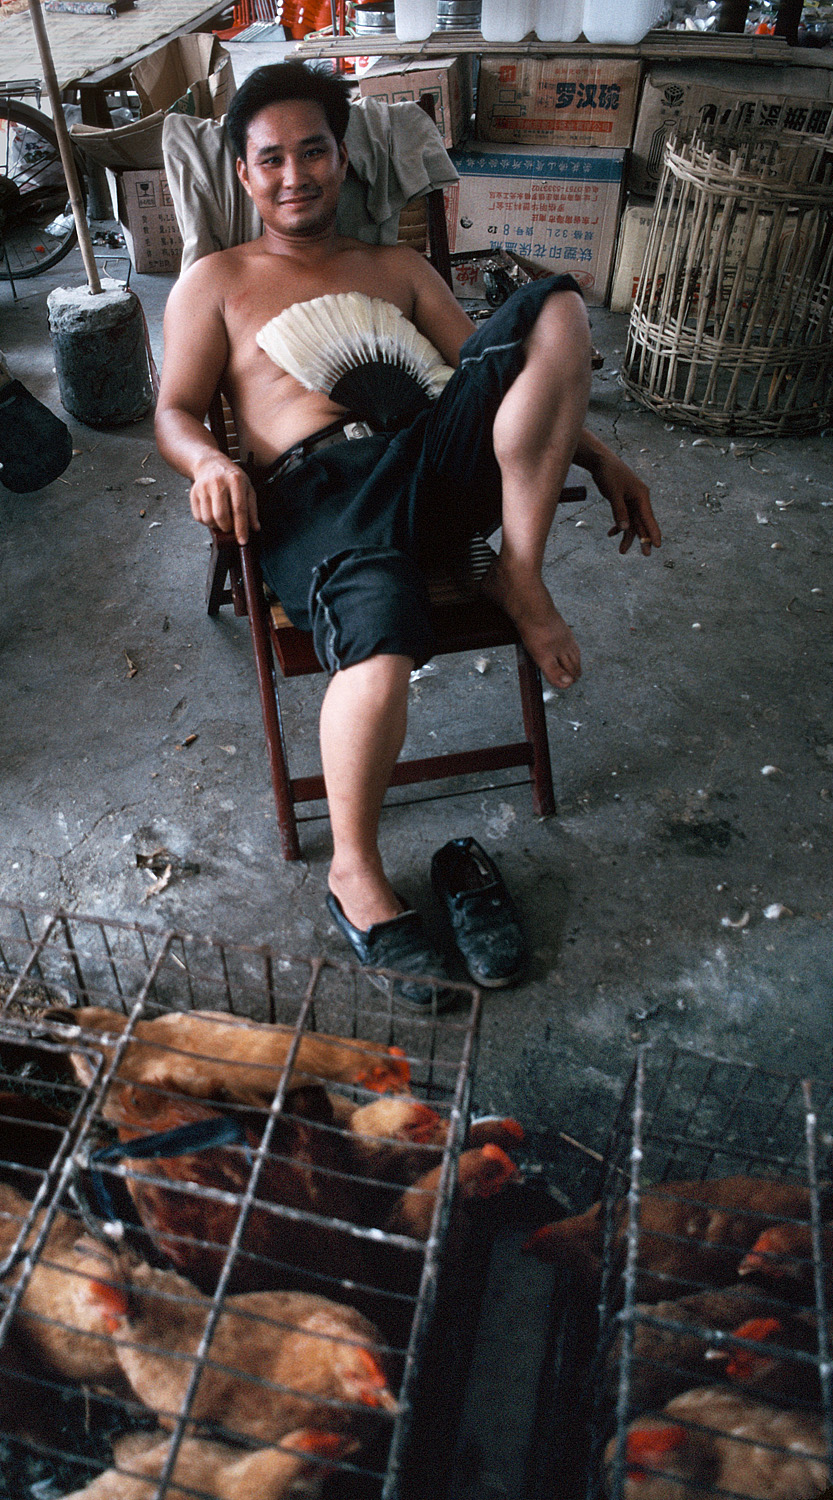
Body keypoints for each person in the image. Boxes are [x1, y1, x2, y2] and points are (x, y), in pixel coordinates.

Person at [155, 61, 661, 1008]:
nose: (295, 175)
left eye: (315, 151)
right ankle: (357, 871)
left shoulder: (396, 268)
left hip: (427, 460)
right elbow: (175, 411)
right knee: (379, 655)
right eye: (272, 159)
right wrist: (212, 463)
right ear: (242, 174)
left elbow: (501, 377)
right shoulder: (215, 284)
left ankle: (520, 570)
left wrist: (600, 457)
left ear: (344, 160)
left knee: (550, 308)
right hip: (319, 497)